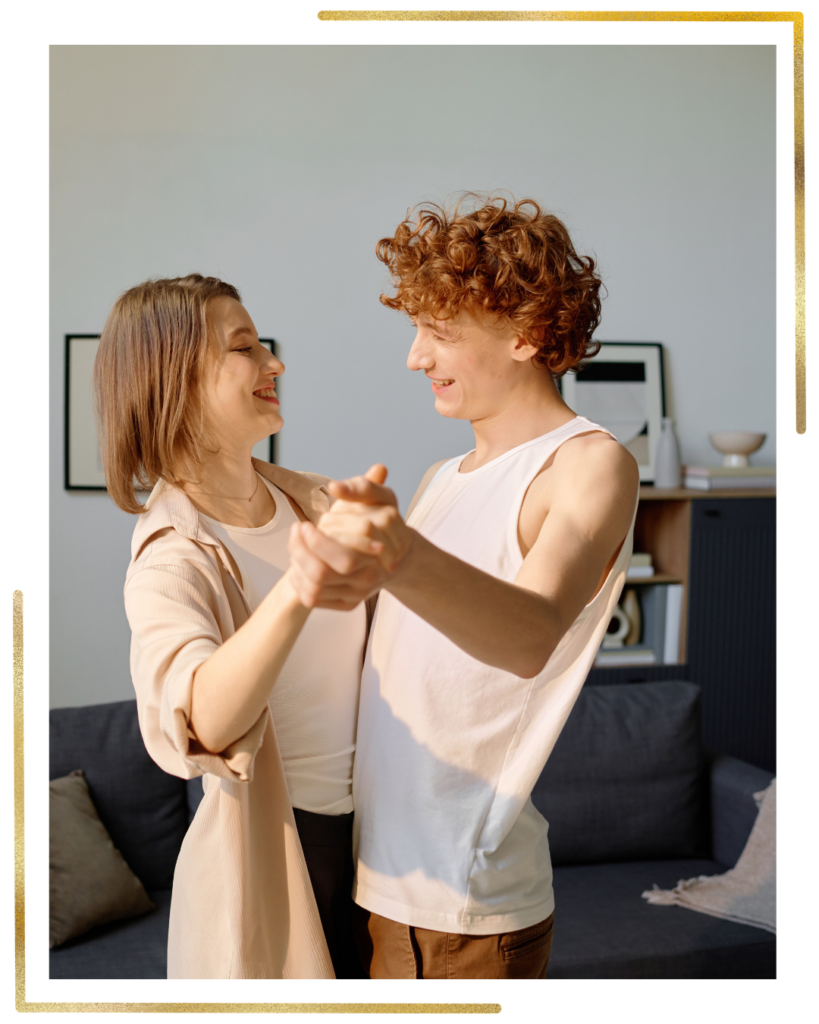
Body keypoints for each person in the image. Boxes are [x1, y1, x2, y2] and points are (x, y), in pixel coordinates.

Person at [286, 194, 641, 979]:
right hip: (380, 879)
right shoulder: (441, 477)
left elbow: (528, 636)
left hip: (464, 909)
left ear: (528, 333)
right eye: (417, 331)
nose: (415, 357)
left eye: (439, 333)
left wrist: (399, 555)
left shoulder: (588, 463)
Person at [93, 274, 373, 979]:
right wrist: (297, 590)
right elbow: (199, 723)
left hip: (380, 840)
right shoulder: (171, 557)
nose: (273, 364)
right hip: (277, 857)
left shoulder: (315, 503)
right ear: (175, 378)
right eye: (245, 347)